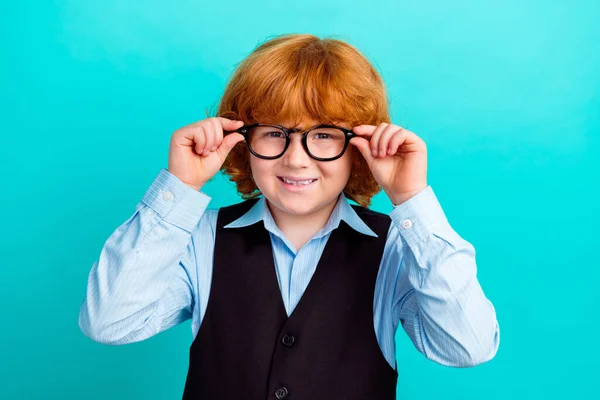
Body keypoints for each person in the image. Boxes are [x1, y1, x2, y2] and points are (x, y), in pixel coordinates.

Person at [78, 33, 500, 399]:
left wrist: (412, 200)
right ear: (242, 138)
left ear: (360, 145)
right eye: (275, 133)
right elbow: (109, 322)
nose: (296, 160)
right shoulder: (198, 235)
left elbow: (467, 347)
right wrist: (179, 188)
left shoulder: (397, 246)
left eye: (323, 135)